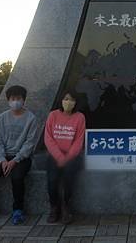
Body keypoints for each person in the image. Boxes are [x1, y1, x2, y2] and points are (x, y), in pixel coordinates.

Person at [0, 85, 38, 225]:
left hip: (22, 158)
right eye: (12, 99)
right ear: (8, 100)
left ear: (24, 100)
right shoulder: (2, 118)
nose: (15, 101)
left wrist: (15, 160)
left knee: (17, 178)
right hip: (3, 157)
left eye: (18, 98)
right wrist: (2, 160)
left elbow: (29, 144)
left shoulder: (31, 119)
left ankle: (18, 210)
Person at [44, 90, 86, 224]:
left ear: (76, 102)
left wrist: (66, 158)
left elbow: (79, 141)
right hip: (54, 155)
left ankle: (66, 207)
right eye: (66, 99)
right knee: (52, 180)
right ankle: (54, 208)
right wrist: (59, 156)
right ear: (61, 101)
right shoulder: (53, 115)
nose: (68, 102)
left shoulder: (80, 117)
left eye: (72, 100)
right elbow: (48, 138)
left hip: (72, 157)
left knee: (69, 178)